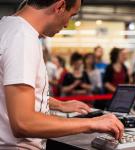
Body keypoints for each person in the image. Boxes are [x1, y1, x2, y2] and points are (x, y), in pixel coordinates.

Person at [0, 0, 124, 149]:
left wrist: (60, 104)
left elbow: (8, 93)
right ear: (60, 6)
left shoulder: (7, 27)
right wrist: (93, 123)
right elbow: (23, 122)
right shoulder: (22, 38)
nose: (66, 24)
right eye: (71, 15)